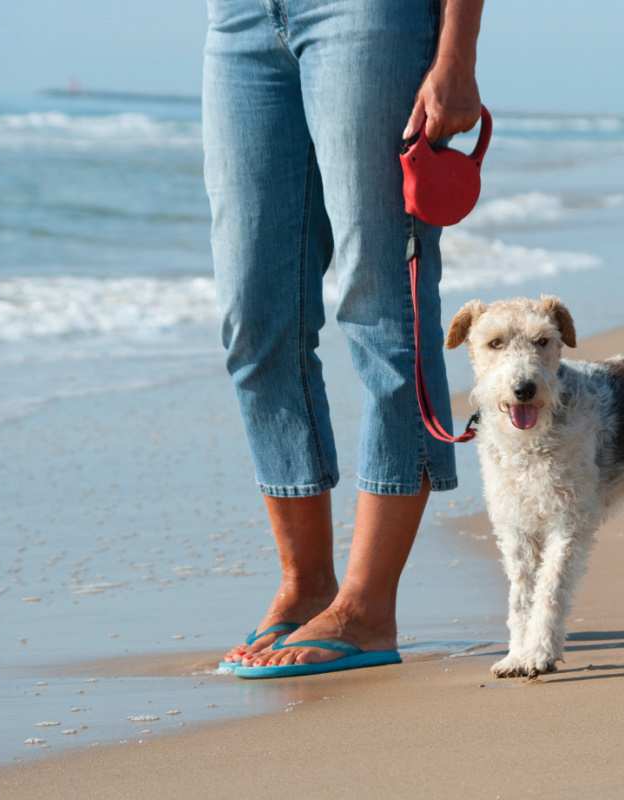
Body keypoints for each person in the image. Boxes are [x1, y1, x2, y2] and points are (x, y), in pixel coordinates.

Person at [202, 0, 483, 675]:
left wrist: (457, 54)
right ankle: (306, 588)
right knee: (253, 316)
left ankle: (367, 607)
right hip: (238, 18)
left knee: (382, 303)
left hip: (368, 16)